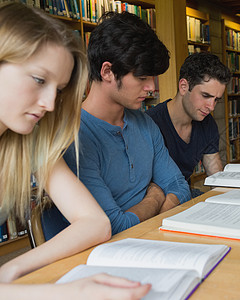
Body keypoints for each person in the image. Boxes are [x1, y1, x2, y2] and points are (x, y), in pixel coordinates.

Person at [0, 2, 150, 298]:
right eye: (39, 80)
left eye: (58, 89)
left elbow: (96, 223)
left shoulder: (29, 140)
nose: (50, 104)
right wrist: (64, 292)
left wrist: (12, 268)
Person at [58, 11, 190, 236]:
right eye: (142, 78)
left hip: (155, 238)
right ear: (107, 72)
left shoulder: (145, 123)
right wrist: (156, 196)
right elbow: (113, 226)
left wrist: (155, 218)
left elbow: (180, 187)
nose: (151, 87)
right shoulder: (75, 137)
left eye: (152, 78)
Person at [146, 52, 231, 196]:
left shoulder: (207, 123)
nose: (211, 107)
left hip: (183, 196)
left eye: (216, 99)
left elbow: (216, 179)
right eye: (205, 96)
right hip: (155, 202)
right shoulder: (150, 123)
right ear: (184, 86)